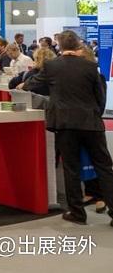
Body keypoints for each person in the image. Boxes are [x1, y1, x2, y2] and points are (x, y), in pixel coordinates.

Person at [23, 30, 113, 225]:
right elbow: (100, 97)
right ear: (78, 45)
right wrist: (94, 114)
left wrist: (22, 84)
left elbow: (32, 84)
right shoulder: (91, 67)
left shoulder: (51, 66)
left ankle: (77, 213)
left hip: (65, 124)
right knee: (104, 167)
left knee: (71, 168)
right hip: (91, 122)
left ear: (60, 45)